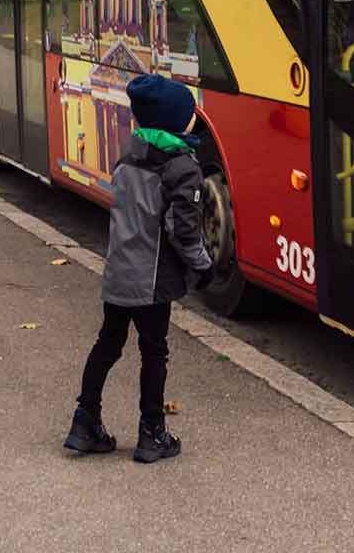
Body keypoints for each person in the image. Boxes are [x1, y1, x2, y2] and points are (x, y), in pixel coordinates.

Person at [63, 74, 214, 464]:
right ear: (176, 121)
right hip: (152, 279)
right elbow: (183, 231)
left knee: (107, 345)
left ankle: (84, 422)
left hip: (118, 271)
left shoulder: (128, 156)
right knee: (154, 353)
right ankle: (152, 433)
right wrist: (204, 267)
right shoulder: (182, 169)